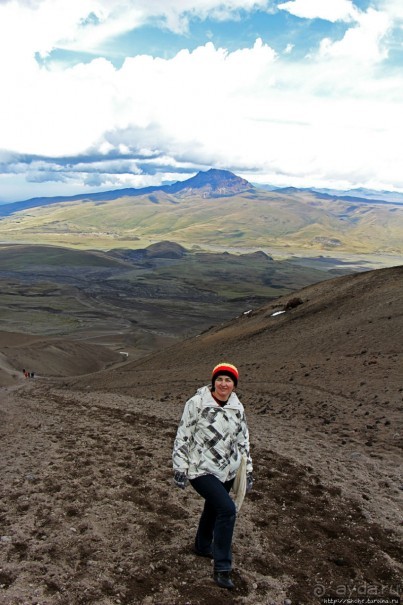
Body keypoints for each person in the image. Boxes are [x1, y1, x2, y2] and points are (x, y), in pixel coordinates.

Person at [172, 362, 253, 590]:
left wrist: (247, 470)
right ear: (213, 381)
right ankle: (223, 568)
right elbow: (183, 435)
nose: (223, 384)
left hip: (227, 470)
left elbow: (243, 440)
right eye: (219, 379)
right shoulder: (197, 403)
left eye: (228, 380)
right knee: (226, 510)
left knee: (213, 507)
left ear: (234, 385)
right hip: (200, 469)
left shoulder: (237, 408)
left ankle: (201, 545)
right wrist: (180, 467)